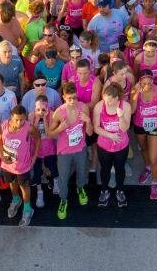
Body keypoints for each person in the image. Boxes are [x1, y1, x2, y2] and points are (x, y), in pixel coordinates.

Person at [48, 80, 92, 220]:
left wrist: (88, 121)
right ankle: (63, 200)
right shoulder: (59, 113)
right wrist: (60, 128)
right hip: (64, 151)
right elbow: (49, 133)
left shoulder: (83, 108)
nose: (72, 101)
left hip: (80, 148)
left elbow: (90, 133)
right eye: (69, 98)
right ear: (63, 97)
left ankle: (80, 189)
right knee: (63, 177)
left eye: (74, 97)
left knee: (82, 171)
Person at [0, 105, 40, 226]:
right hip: (8, 165)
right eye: (16, 119)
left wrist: (34, 157)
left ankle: (27, 209)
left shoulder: (29, 128)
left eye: (22, 119)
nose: (19, 122)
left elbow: (38, 139)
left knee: (24, 186)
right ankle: (16, 200)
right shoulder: (4, 125)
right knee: (11, 183)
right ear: (11, 117)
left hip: (23, 165)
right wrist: (1, 155)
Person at [93, 83, 131, 206]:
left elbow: (125, 128)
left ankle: (120, 190)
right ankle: (104, 190)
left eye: (109, 101)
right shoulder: (99, 106)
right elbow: (96, 128)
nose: (107, 103)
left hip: (121, 145)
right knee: (105, 169)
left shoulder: (125, 106)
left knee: (120, 168)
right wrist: (110, 135)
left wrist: (121, 117)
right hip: (104, 145)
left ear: (117, 98)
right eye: (105, 100)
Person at [131, 70, 157, 200]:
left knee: (154, 158)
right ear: (140, 82)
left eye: (149, 83)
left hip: (154, 127)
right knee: (144, 149)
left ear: (152, 80)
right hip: (139, 126)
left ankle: (155, 183)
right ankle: (147, 168)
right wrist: (136, 94)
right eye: (144, 83)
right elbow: (133, 110)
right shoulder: (136, 92)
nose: (147, 86)